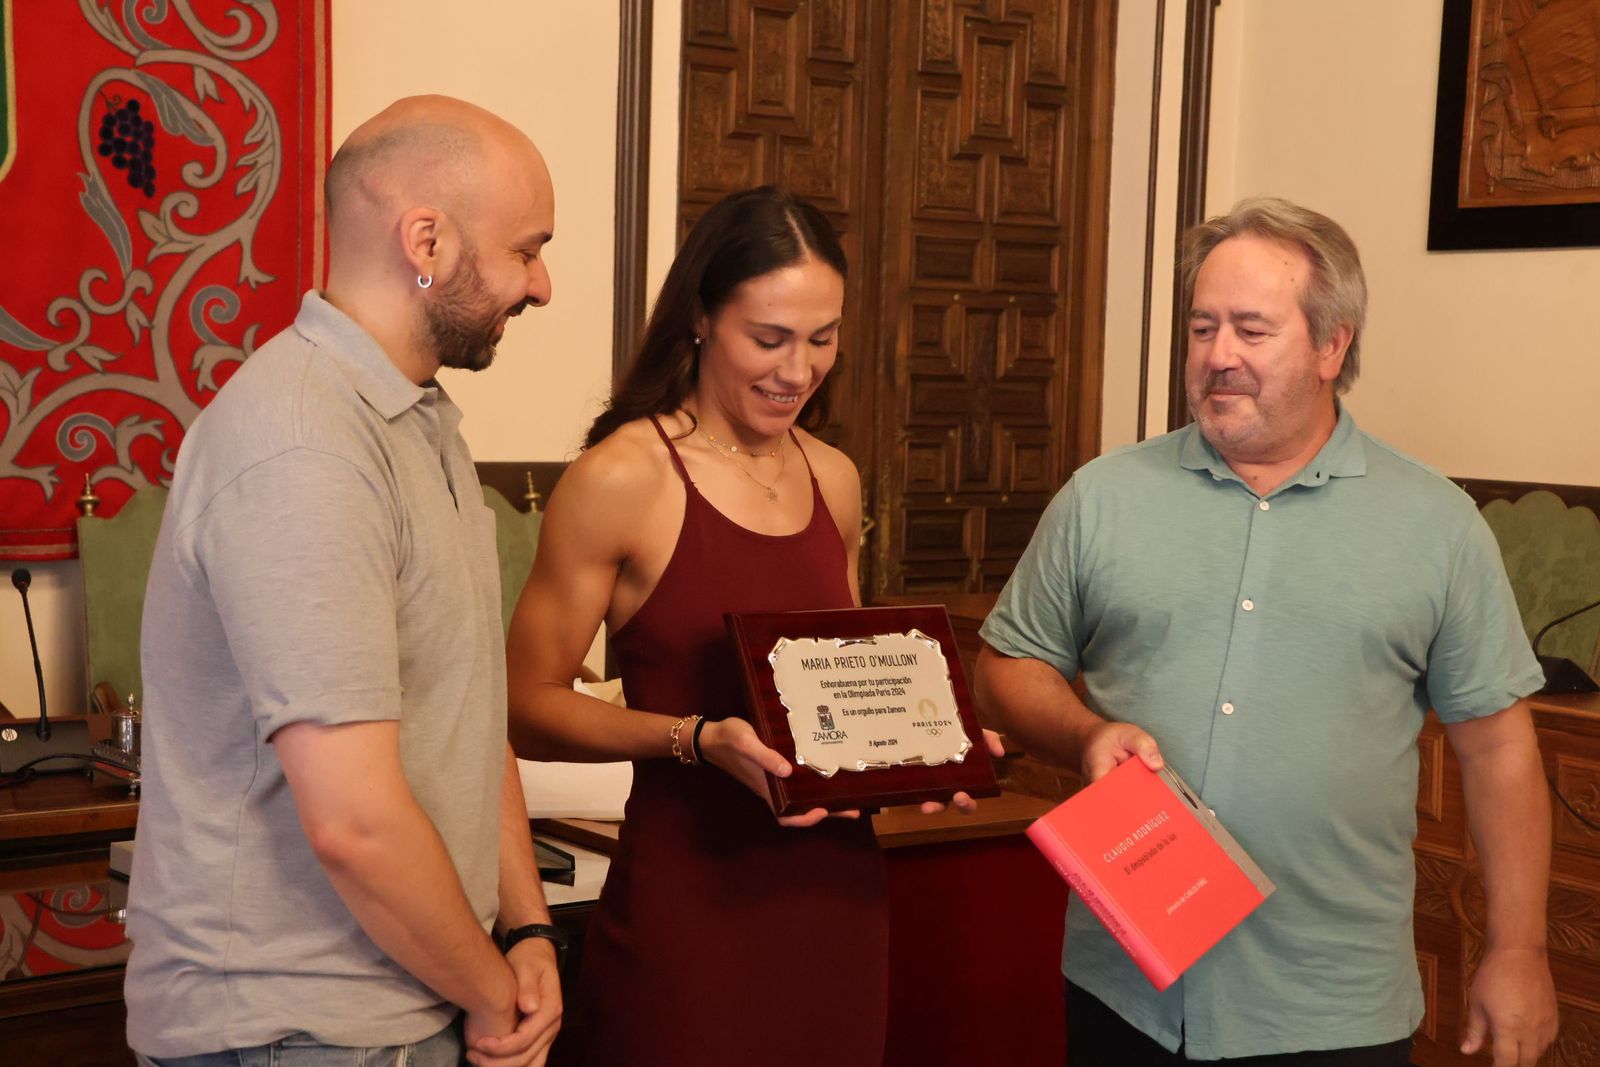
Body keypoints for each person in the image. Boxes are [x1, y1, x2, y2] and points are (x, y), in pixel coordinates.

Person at [976, 197, 1558, 1067]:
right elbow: (1005, 667)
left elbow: (1499, 751)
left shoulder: (1436, 525)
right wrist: (1087, 733)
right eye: (1203, 327)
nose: (1219, 356)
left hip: (1331, 1007)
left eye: (1251, 329)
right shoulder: (1103, 496)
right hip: (1123, 989)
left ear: (1333, 345)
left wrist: (1519, 951)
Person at [506, 185, 997, 1066]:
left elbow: (831, 702)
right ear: (700, 318)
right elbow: (521, 706)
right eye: (768, 339)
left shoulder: (835, 478)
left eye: (823, 338)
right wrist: (694, 739)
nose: (799, 371)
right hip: (691, 911)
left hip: (838, 906)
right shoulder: (623, 478)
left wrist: (930, 748)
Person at [127, 95, 563, 1067]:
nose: (542, 286)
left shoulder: (419, 418)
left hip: (409, 1000)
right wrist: (495, 995)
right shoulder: (303, 444)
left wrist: (525, 927)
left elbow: (465, 707)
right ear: (427, 240)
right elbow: (355, 824)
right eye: (525, 249)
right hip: (292, 1030)